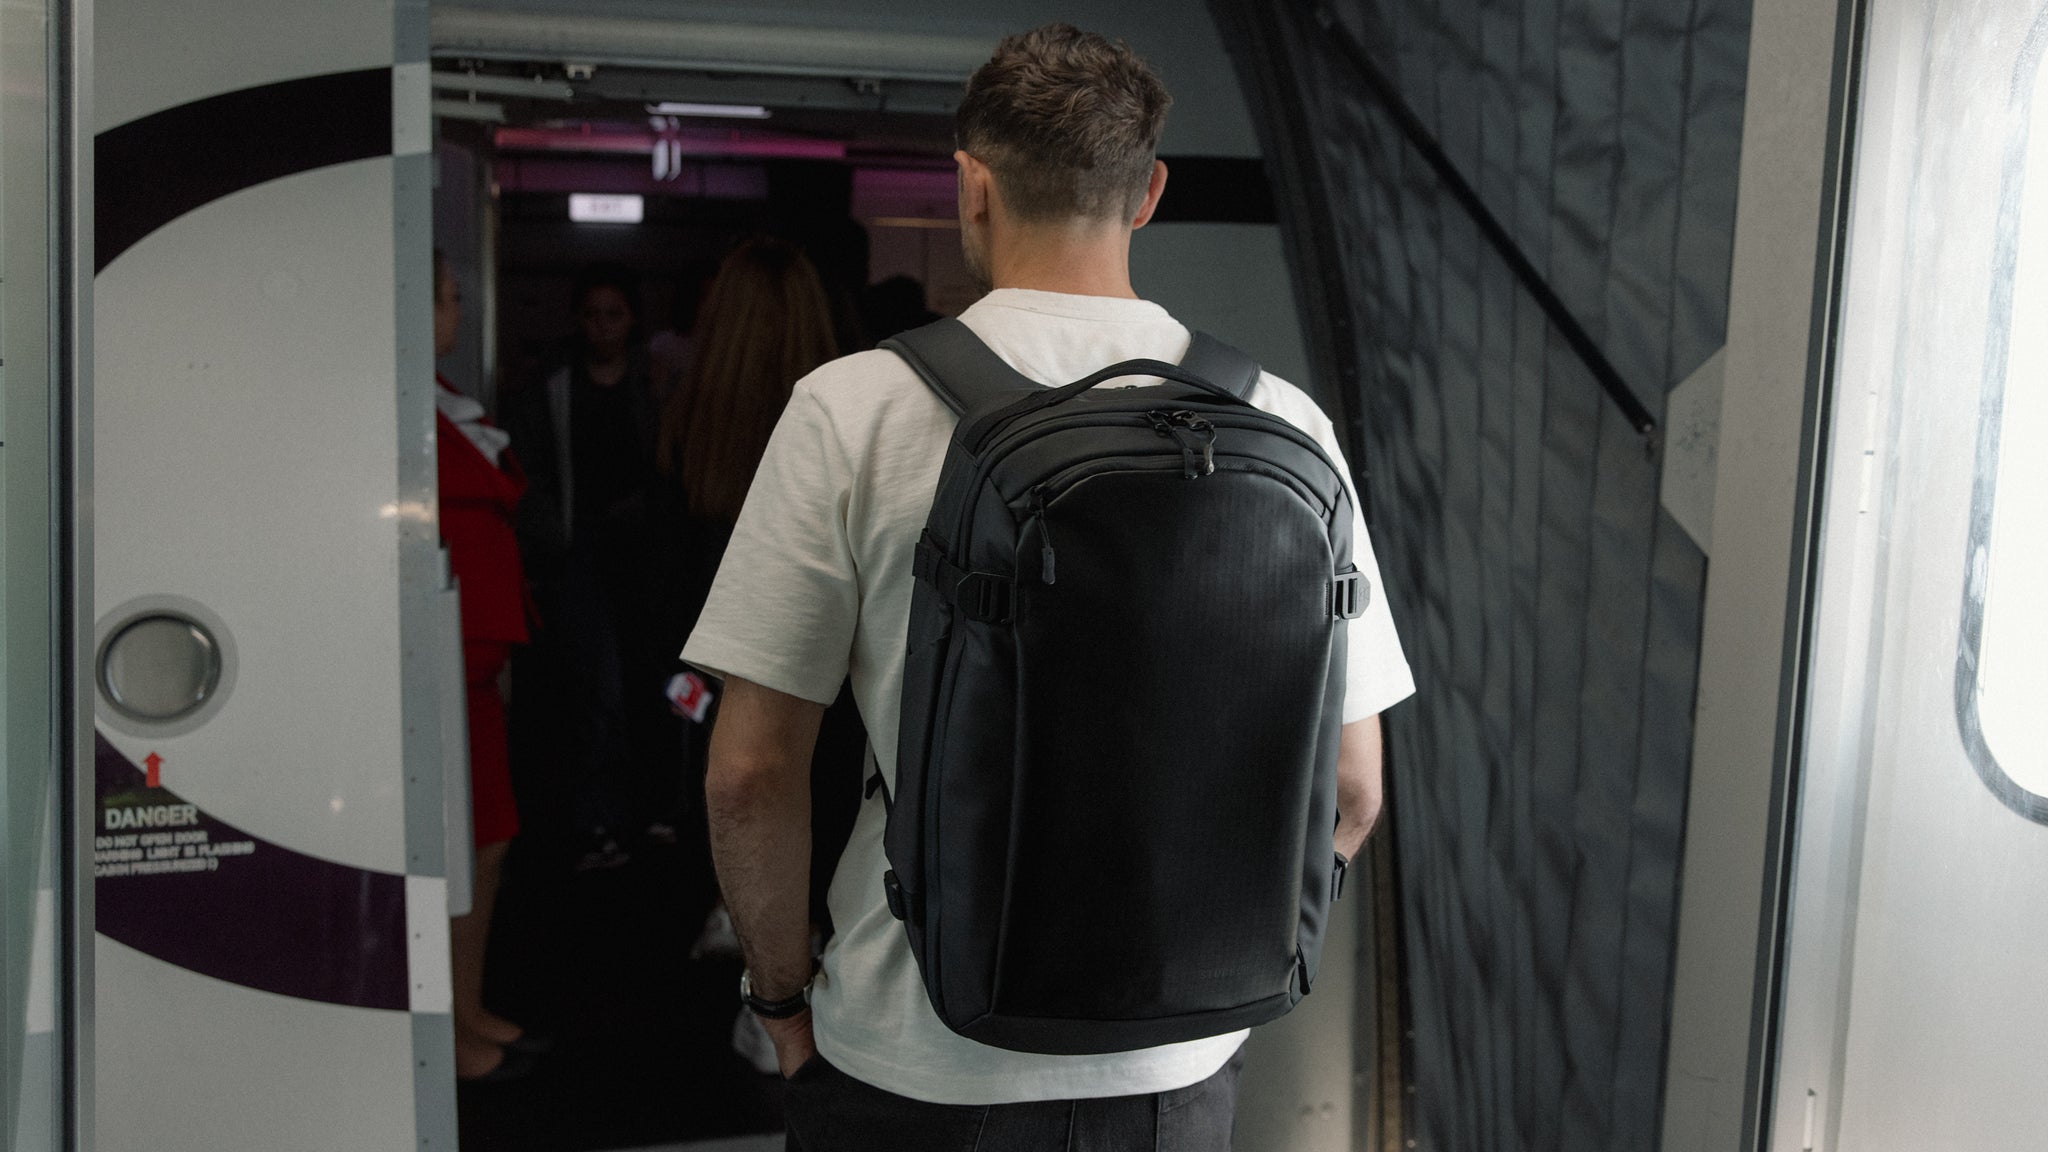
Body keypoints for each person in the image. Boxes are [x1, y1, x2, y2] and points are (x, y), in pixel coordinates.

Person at [682, 25, 1417, 1149]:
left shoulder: (851, 409)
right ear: (1148, 192)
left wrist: (779, 1001)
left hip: (914, 1053)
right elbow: (1353, 791)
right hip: (1178, 1070)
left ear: (970, 185)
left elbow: (747, 773)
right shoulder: (1281, 420)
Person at [648, 237, 867, 1072]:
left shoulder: (686, 416)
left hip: (718, 661)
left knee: (736, 804)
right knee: (824, 823)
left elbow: (664, 568)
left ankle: (748, 957)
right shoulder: (844, 419)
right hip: (831, 670)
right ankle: (813, 999)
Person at [501, 264, 665, 868]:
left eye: (613, 314)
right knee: (597, 688)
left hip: (646, 555)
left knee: (650, 682)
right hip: (583, 553)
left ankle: (647, 811)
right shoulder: (554, 387)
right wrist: (555, 536)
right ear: (577, 320)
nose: (602, 327)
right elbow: (530, 475)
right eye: (593, 315)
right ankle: (603, 816)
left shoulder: (655, 382)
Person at [432, 249, 535, 1081]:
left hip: (474, 656)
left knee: (489, 840)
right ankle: (445, 1023)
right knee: (457, 843)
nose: (457, 311)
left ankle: (462, 1007)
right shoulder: (403, 411)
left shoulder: (443, 403)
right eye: (448, 296)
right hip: (438, 661)